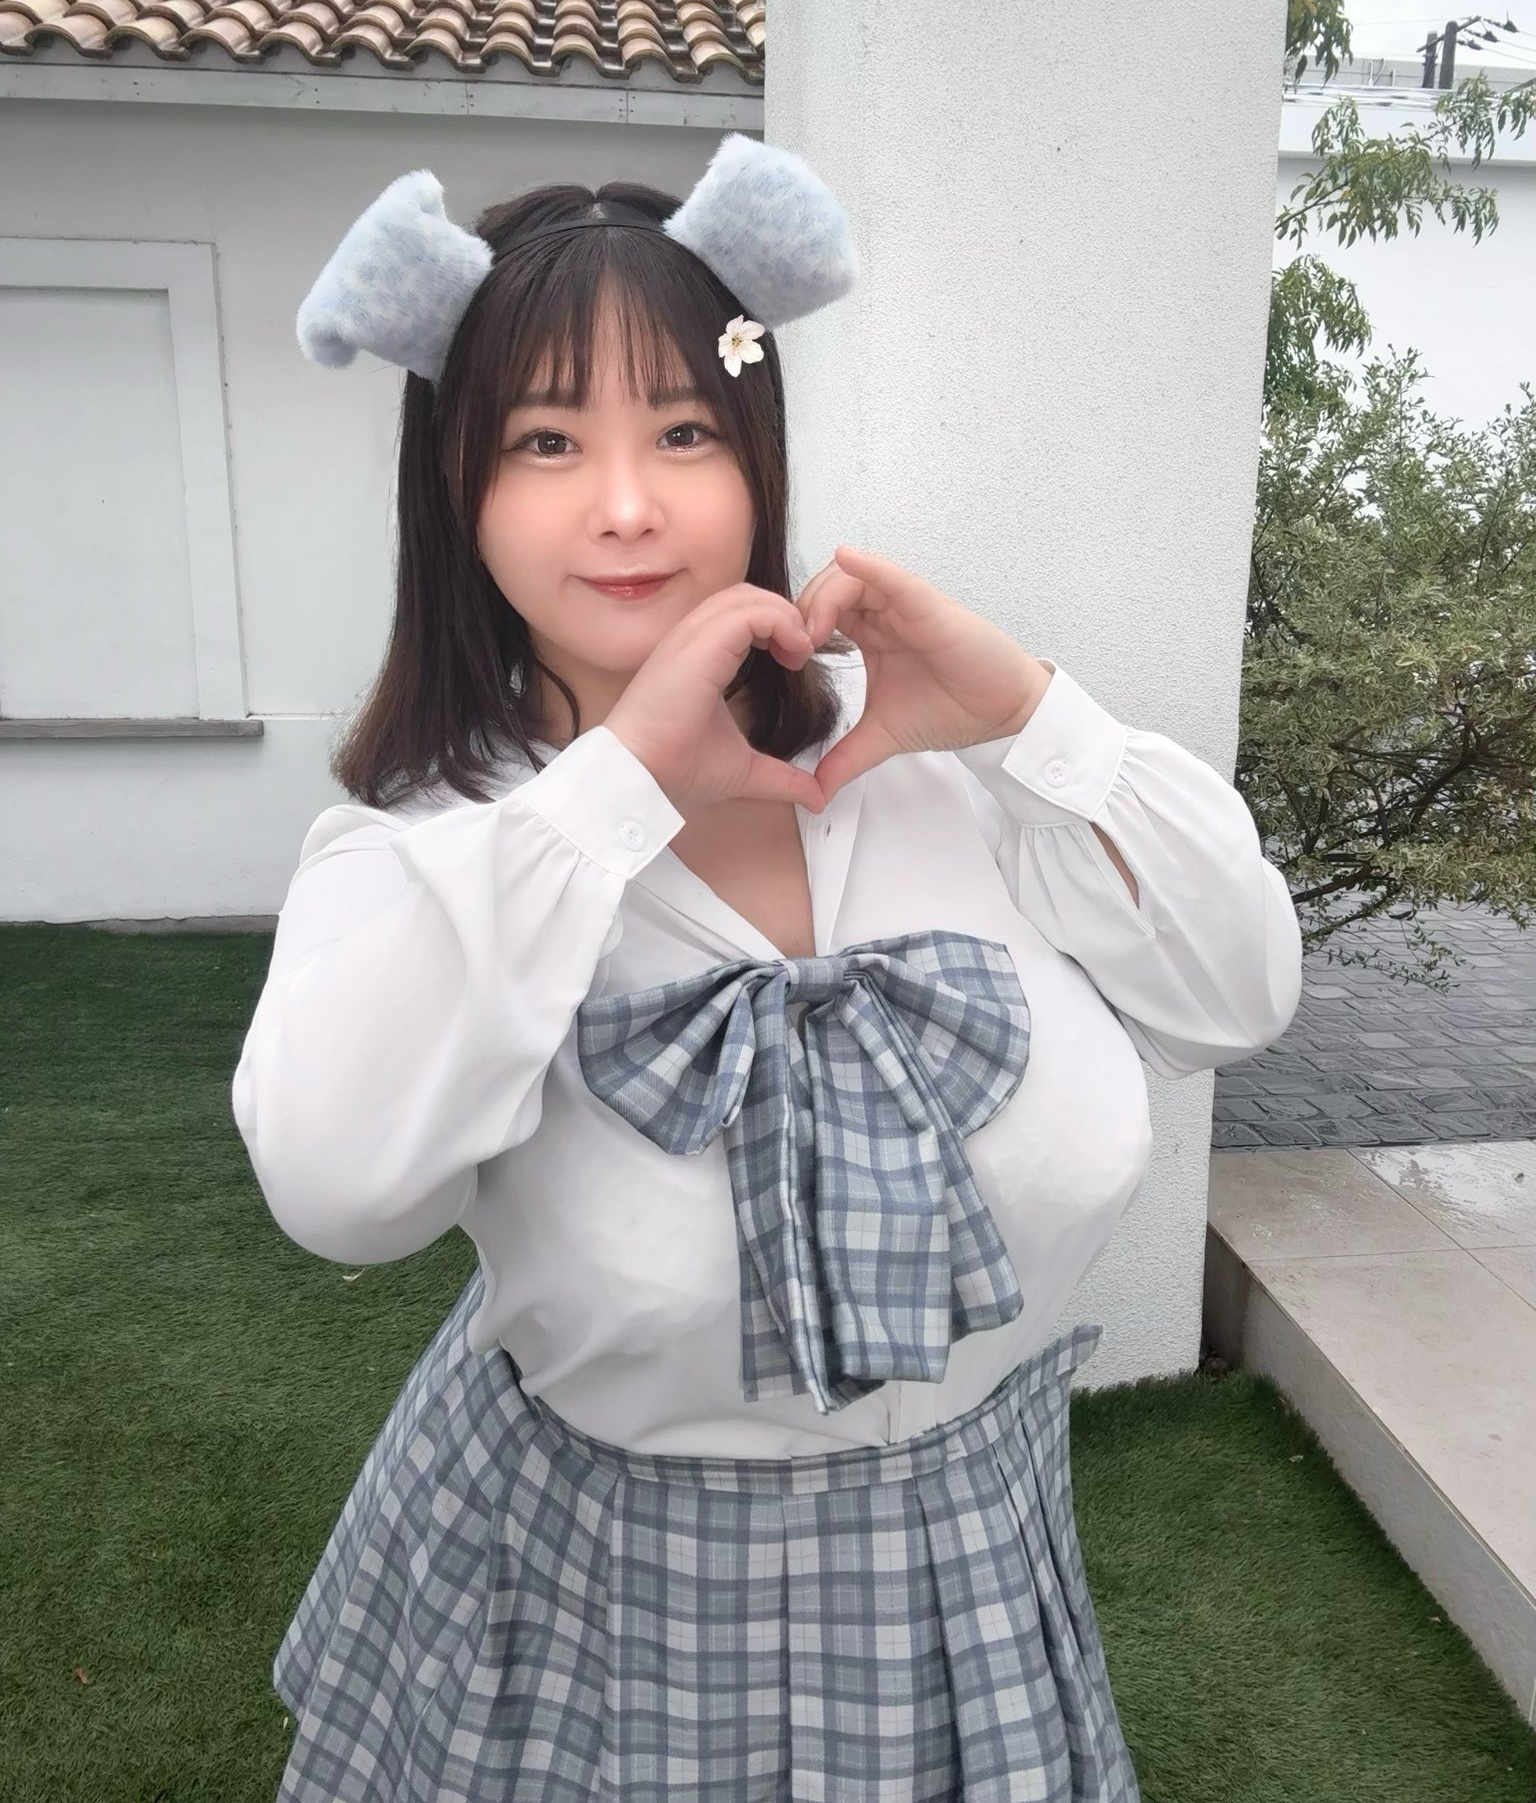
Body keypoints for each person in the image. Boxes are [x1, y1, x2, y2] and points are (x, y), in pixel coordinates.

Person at [232, 135, 1303, 1803]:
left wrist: (1034, 716)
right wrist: (608, 803)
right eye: (544, 442)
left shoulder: (941, 773)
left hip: (978, 1579)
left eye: (683, 430)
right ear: (456, 489)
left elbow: (1236, 1000)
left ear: (758, 457)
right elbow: (338, 1191)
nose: (628, 506)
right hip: (589, 1616)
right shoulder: (434, 854)